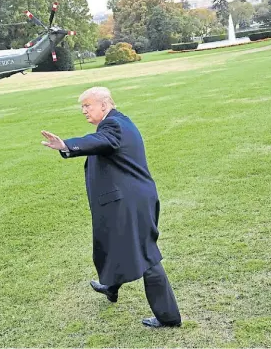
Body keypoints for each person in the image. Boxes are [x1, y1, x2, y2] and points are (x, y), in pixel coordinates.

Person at [40, 86, 181, 328]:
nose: (84, 110)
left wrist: (66, 145)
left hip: (130, 203)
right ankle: (110, 286)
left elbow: (99, 141)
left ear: (104, 105)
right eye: (82, 106)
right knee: (114, 244)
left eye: (88, 105)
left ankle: (168, 317)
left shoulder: (113, 126)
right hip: (128, 200)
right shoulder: (117, 121)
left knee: (147, 258)